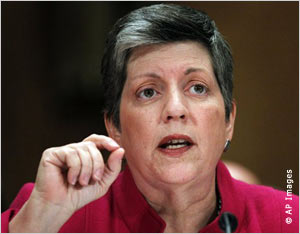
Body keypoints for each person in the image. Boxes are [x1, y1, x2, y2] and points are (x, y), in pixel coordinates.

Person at [2, 3, 298, 233]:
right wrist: (36, 222)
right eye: (148, 92)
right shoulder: (53, 214)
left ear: (229, 120)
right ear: (114, 127)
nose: (175, 109)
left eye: (197, 87)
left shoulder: (286, 220)